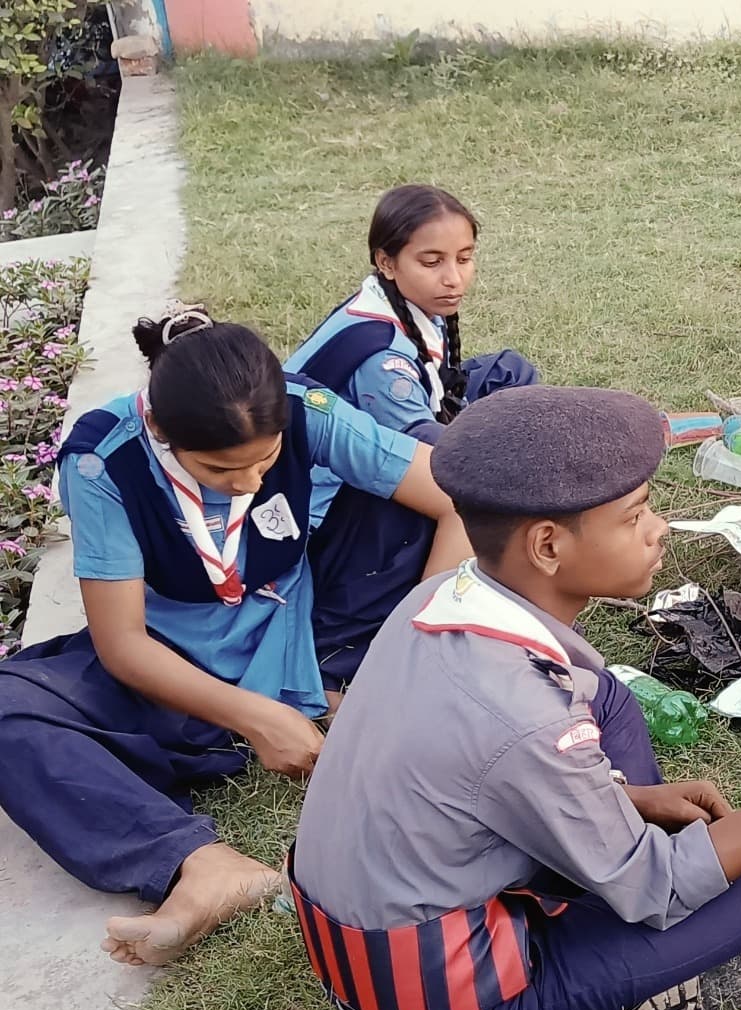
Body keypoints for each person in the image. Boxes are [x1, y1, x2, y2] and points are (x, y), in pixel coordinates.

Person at [286, 385, 741, 1010]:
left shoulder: (439, 597)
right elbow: (655, 887)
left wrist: (624, 799)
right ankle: (666, 960)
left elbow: (469, 778)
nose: (658, 528)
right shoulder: (522, 715)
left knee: (609, 700)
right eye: (634, 517)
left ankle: (613, 850)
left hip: (376, 935)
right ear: (547, 545)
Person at [0, 309, 468, 966]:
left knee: (407, 513)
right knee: (10, 713)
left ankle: (335, 691)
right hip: (184, 670)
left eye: (266, 460)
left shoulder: (303, 405)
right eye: (221, 471)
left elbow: (457, 497)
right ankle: (203, 864)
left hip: (315, 629)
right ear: (162, 430)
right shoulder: (105, 461)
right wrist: (257, 717)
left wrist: (408, 656)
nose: (249, 483)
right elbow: (124, 645)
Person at [283, 184, 540, 692]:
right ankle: (424, 630)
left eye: (465, 258)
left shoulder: (400, 305)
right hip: (321, 521)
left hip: (373, 455)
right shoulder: (381, 361)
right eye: (432, 261)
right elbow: (434, 460)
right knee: (454, 488)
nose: (453, 278)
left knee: (508, 377)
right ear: (387, 261)